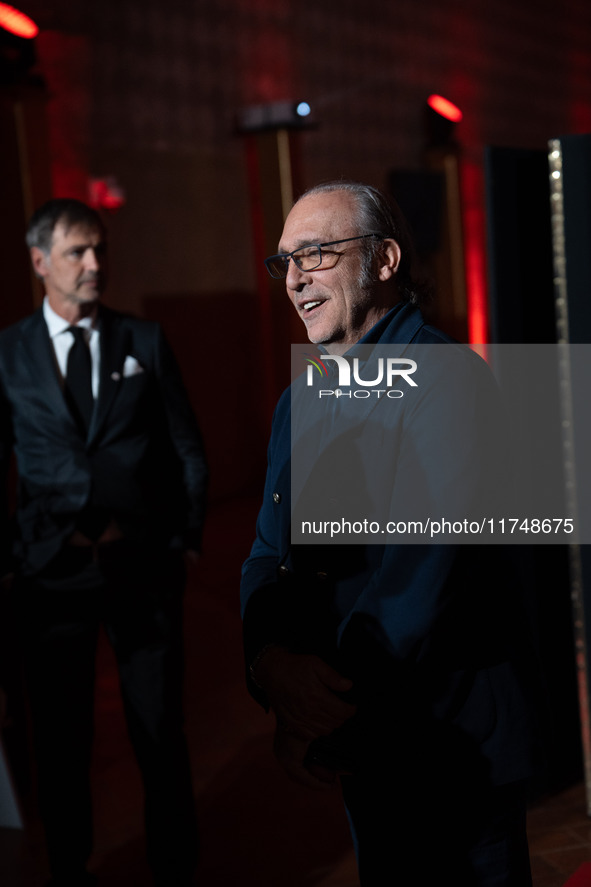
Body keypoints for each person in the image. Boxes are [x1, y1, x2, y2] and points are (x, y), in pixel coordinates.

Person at [241, 181, 537, 885]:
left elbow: (417, 580)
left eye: (314, 253)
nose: (294, 277)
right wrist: (269, 665)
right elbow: (265, 555)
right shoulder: (299, 397)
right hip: (363, 743)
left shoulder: (447, 381)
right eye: (283, 261)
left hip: (449, 749)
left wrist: (313, 710)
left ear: (383, 260)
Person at [0, 199, 208, 887]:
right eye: (77, 252)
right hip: (51, 574)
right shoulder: (9, 352)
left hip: (142, 567)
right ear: (39, 263)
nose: (95, 264)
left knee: (158, 732)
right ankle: (69, 868)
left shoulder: (143, 342)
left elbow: (185, 445)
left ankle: (175, 868)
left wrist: (185, 537)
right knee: (61, 741)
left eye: (101, 249)